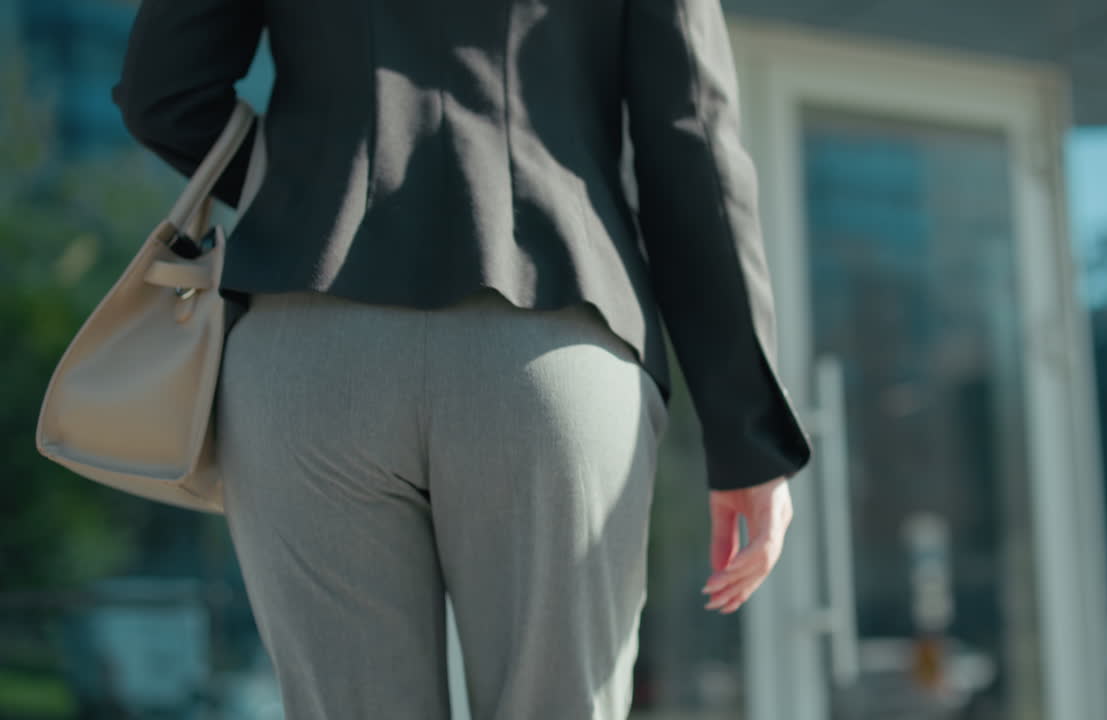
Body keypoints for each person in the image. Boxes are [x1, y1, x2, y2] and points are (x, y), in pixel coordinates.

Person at [113, 0, 813, 717]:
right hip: (549, 342)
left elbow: (160, 95)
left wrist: (300, 189)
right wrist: (748, 438)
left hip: (307, 352)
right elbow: (690, 136)